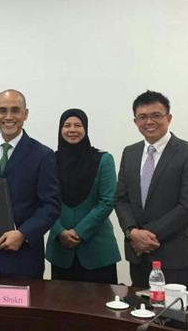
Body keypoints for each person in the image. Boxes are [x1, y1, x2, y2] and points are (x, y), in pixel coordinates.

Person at [0, 89, 60, 279]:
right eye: (2, 110)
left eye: (15, 110)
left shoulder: (43, 155)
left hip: (23, 261)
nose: (8, 116)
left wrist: (23, 233)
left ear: (25, 113)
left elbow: (51, 205)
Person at [115, 90, 188, 288]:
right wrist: (132, 232)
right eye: (143, 117)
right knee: (138, 307)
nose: (149, 122)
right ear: (135, 121)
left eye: (156, 115)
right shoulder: (130, 153)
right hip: (137, 256)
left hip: (173, 257)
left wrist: (145, 235)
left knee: (173, 309)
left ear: (169, 118)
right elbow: (121, 199)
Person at [45, 109, 120, 284]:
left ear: (85, 129)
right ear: (60, 129)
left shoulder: (103, 159)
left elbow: (107, 202)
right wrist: (59, 231)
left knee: (101, 301)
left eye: (78, 125)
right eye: (67, 125)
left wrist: (79, 232)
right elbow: (44, 201)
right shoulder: (50, 160)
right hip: (61, 251)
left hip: (98, 252)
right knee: (60, 301)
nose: (72, 130)